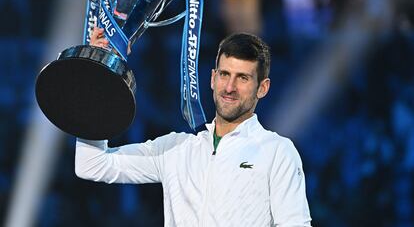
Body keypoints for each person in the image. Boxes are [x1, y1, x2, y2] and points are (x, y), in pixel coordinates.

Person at [75, 27, 312, 226]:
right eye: (224, 74)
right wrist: (99, 76)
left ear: (263, 87)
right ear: (212, 78)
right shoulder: (176, 149)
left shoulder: (277, 152)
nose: (229, 87)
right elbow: (92, 165)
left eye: (243, 78)